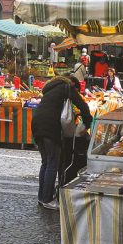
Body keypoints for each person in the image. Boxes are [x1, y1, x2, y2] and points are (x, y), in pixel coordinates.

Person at [31, 75, 92, 210]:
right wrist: (87, 123)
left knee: (46, 162)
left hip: (37, 124)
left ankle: (42, 196)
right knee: (53, 162)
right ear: (73, 85)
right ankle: (47, 199)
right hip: (50, 127)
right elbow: (83, 106)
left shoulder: (52, 89)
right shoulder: (67, 87)